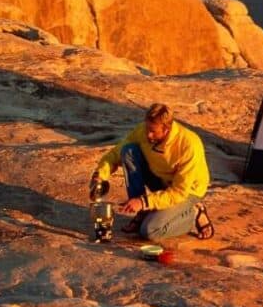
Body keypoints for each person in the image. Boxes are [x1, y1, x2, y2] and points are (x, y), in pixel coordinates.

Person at [89, 103, 214, 241]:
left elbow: (179, 192)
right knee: (128, 151)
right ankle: (142, 213)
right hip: (161, 179)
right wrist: (100, 175)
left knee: (150, 231)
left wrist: (144, 201)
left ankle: (193, 213)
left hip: (187, 191)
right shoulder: (143, 131)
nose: (148, 134)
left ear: (167, 129)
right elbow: (116, 153)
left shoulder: (189, 145)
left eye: (153, 131)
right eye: (147, 128)